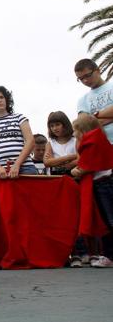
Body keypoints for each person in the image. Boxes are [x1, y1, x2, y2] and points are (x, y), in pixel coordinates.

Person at [71, 114, 113, 268]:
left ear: (83, 130)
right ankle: (108, 255)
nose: (74, 134)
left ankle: (110, 255)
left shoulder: (92, 142)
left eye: (76, 131)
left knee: (108, 221)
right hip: (103, 183)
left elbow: (84, 167)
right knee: (106, 221)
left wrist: (76, 170)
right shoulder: (99, 139)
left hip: (103, 185)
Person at [0, 86, 37, 177]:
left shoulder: (20, 118)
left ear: (6, 100)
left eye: (1, 97)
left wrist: (17, 164)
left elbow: (30, 141)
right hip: (0, 171)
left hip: (25, 167)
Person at [75, 58, 113, 143]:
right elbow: (83, 125)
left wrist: (93, 117)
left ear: (98, 70)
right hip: (101, 148)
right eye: (80, 79)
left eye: (87, 75)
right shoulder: (82, 100)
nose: (85, 81)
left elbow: (90, 123)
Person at [44, 111, 78, 176]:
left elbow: (81, 159)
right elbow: (47, 162)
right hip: (56, 176)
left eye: (57, 124)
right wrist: (71, 157)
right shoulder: (50, 143)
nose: (54, 128)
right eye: (52, 126)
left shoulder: (75, 140)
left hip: (74, 174)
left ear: (65, 124)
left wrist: (56, 161)